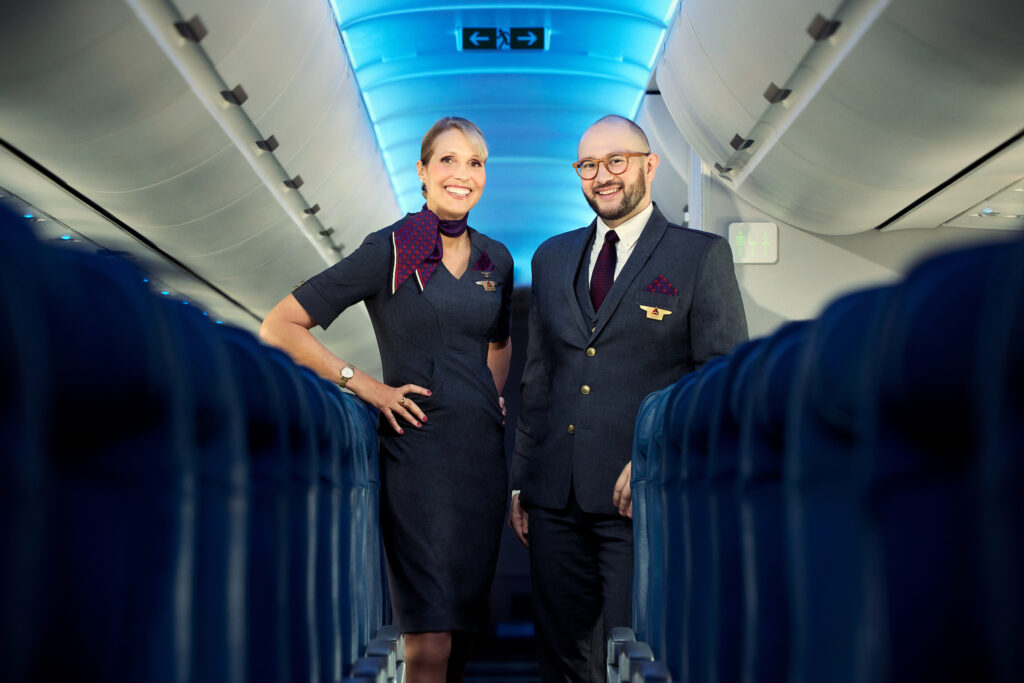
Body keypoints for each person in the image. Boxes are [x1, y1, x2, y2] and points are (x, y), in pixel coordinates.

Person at [260, 116, 513, 683]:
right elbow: (281, 326)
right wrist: (364, 384)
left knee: (462, 635)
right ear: (422, 172)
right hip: (417, 460)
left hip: (480, 464)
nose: (462, 174)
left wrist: (486, 396)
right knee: (429, 640)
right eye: (447, 160)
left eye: (475, 163)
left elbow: (500, 342)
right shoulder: (393, 248)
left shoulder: (496, 258)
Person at [508, 114, 748, 681]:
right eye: (588, 166)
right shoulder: (551, 257)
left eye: (616, 161)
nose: (602, 176)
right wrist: (521, 479)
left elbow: (721, 379)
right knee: (563, 660)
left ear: (649, 164)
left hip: (638, 498)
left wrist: (656, 455)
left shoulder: (699, 256)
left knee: (627, 656)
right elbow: (538, 379)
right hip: (553, 497)